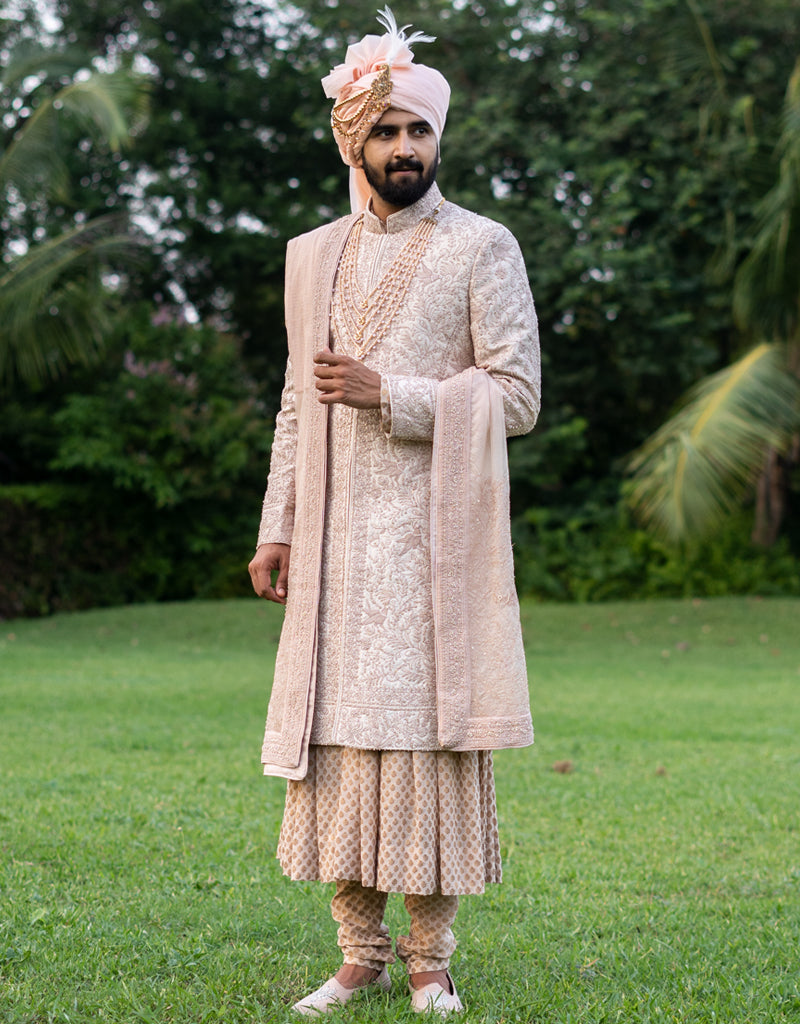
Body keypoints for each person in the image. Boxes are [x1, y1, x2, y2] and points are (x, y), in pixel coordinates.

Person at [248, 7, 540, 1016]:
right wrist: (277, 525)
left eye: (419, 130)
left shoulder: (482, 247)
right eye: (385, 131)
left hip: (433, 545)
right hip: (335, 547)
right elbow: (296, 402)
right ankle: (358, 952)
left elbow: (515, 395)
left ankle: (429, 958)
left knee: (426, 743)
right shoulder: (310, 256)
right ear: (353, 144)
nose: (404, 147)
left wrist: (393, 396)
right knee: (338, 746)